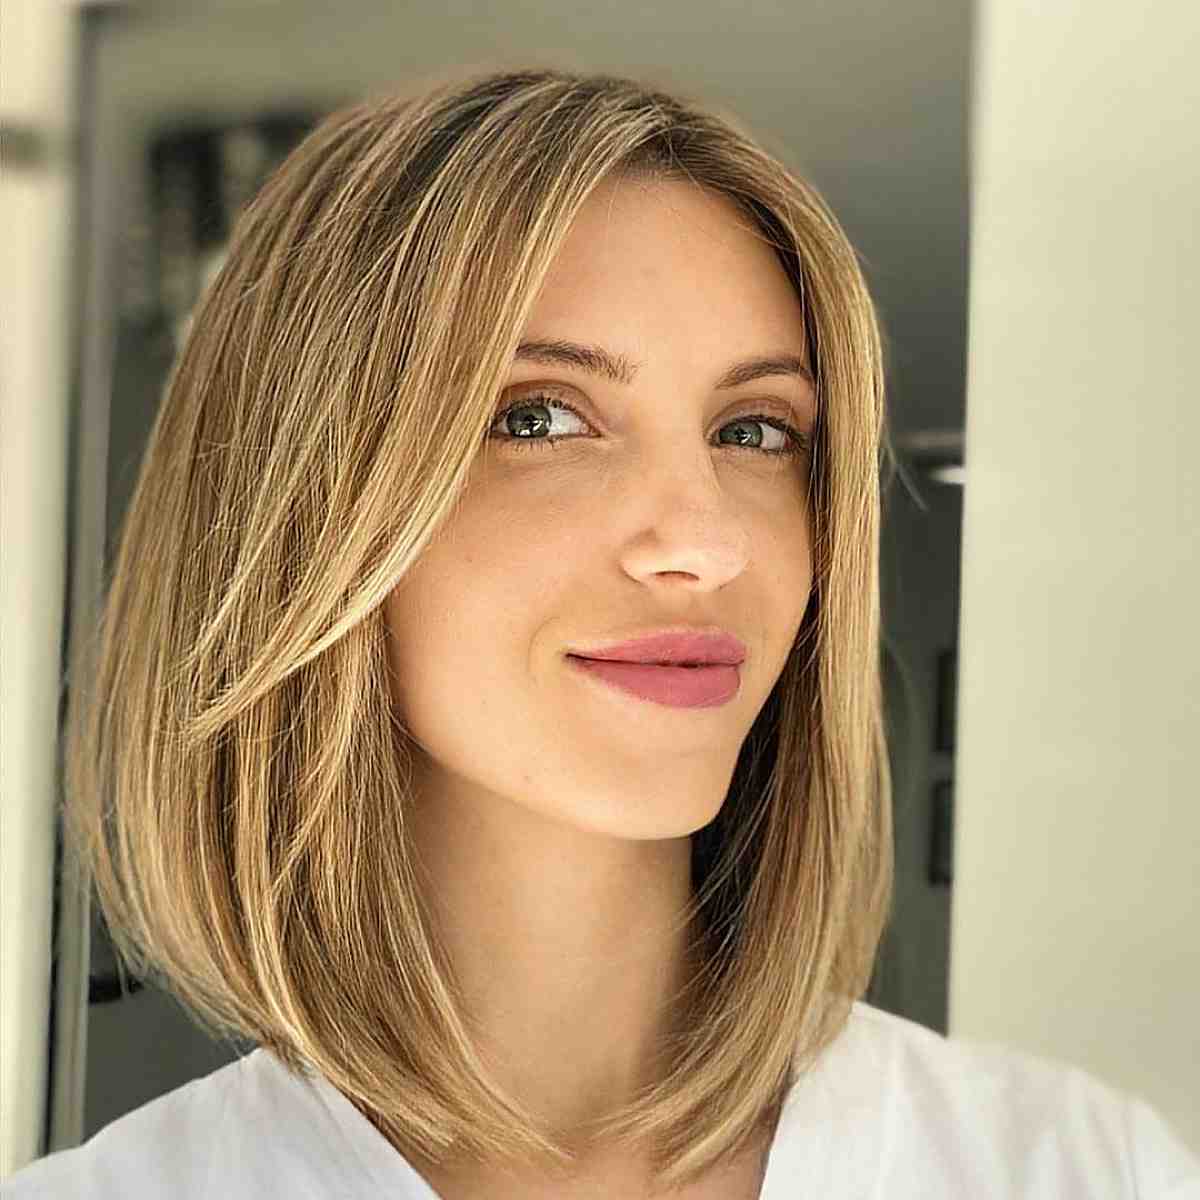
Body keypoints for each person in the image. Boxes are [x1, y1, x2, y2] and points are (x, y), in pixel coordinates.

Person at [4, 66, 1197, 1200]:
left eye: (755, 431)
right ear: (302, 507)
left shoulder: (1079, 1170)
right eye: (539, 417)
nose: (706, 542)